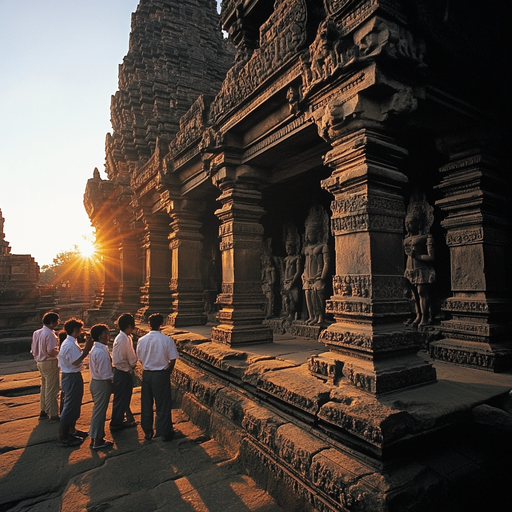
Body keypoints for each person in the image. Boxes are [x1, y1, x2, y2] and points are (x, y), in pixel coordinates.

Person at [136, 313, 179, 442]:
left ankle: (147, 432)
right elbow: (172, 359)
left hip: (147, 373)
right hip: (161, 373)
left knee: (146, 403)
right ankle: (164, 432)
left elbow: (140, 359)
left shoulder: (141, 340)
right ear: (162, 324)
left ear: (149, 324)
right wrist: (167, 372)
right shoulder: (166, 340)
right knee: (163, 404)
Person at [58, 318, 93, 446]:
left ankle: (71, 430)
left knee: (74, 404)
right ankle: (64, 436)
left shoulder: (70, 342)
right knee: (70, 406)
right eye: (80, 329)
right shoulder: (69, 344)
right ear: (75, 330)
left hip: (71, 375)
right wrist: (87, 350)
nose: (82, 331)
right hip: (71, 376)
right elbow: (76, 361)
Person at [404, 196, 436, 327]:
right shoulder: (406, 239)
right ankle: (417, 315)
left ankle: (425, 317)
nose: (408, 226)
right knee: (413, 295)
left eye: (411, 223)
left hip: (421, 268)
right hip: (409, 269)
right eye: (406, 223)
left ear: (419, 223)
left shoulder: (427, 238)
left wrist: (416, 255)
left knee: (422, 293)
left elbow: (431, 258)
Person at [302, 206, 330, 325]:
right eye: (307, 234)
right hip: (308, 277)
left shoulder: (323, 246)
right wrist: (303, 274)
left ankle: (320, 317)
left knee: (318, 297)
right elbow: (305, 264)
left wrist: (322, 276)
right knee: (308, 297)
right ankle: (311, 316)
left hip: (318, 276)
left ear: (317, 234)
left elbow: (327, 263)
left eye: (310, 234)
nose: (308, 236)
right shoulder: (306, 249)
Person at [31, 312, 60, 422]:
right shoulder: (50, 334)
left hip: (40, 362)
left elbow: (33, 349)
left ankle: (43, 410)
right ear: (52, 322)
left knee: (44, 387)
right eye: (57, 321)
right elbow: (51, 350)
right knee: (52, 389)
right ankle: (53, 414)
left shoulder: (37, 332)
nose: (58, 323)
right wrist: (60, 352)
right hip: (49, 362)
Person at [110, 313, 137, 431]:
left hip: (124, 370)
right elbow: (119, 359)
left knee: (124, 397)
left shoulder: (126, 337)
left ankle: (120, 419)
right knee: (121, 397)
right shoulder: (122, 339)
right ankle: (116, 422)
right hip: (122, 371)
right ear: (129, 326)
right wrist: (131, 367)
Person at [88, 324, 114, 450]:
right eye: (105, 334)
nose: (108, 336)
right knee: (99, 413)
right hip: (102, 383)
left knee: (97, 411)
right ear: (99, 336)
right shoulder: (100, 352)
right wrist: (111, 385)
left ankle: (94, 437)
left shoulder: (97, 349)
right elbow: (105, 374)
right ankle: (97, 440)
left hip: (95, 382)